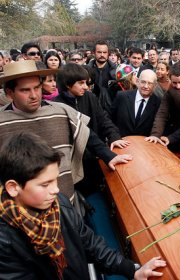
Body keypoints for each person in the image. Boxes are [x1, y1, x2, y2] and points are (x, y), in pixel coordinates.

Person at [0, 132, 166, 279]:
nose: (56, 189)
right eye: (45, 184)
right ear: (13, 188)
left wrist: (132, 270)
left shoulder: (59, 204)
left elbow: (90, 244)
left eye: (55, 179)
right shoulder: (4, 242)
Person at [0, 60, 131, 200]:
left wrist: (110, 156)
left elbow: (88, 136)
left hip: (65, 196)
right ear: (9, 93)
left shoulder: (61, 111)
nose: (34, 95)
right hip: (19, 207)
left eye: (37, 87)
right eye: (25, 90)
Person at [145, 61, 180, 164]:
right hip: (173, 138)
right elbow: (161, 114)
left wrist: (173, 91)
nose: (178, 86)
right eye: (174, 83)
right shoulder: (169, 93)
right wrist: (155, 135)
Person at [111, 69, 161, 137]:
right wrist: (114, 136)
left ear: (155, 86)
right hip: (121, 142)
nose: (146, 86)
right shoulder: (122, 96)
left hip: (144, 145)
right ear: (137, 81)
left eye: (150, 83)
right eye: (143, 82)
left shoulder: (158, 103)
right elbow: (110, 119)